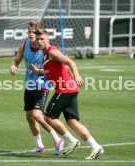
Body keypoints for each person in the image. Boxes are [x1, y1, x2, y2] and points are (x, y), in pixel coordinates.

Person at [31, 28, 104, 160]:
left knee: (48, 117)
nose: (39, 41)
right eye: (37, 39)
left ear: (48, 39)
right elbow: (50, 72)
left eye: (42, 39)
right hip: (69, 89)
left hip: (65, 89)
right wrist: (38, 71)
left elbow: (70, 62)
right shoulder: (46, 55)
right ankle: (95, 146)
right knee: (72, 122)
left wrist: (76, 75)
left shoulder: (52, 52)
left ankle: (71, 140)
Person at [10, 21, 64, 155]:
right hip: (29, 84)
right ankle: (39, 145)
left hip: (43, 83)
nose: (30, 34)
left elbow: (58, 63)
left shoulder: (45, 48)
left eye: (33, 32)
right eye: (29, 32)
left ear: (39, 33)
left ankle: (58, 140)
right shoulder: (24, 45)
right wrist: (14, 65)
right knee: (29, 116)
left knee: (37, 115)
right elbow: (17, 58)